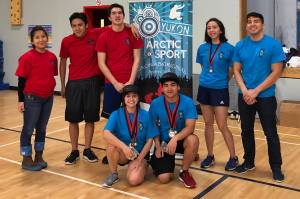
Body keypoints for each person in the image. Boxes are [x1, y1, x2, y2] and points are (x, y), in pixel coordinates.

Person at [60, 12, 139, 165]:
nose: (77, 28)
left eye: (80, 25)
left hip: (92, 83)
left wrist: (131, 26)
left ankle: (87, 149)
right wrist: (62, 85)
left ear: (86, 25)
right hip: (74, 84)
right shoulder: (66, 41)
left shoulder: (95, 33)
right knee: (73, 119)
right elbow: (62, 62)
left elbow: (115, 24)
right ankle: (74, 150)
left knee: (90, 118)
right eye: (74, 26)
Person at [233, 12, 285, 182]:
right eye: (249, 22)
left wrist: (255, 91)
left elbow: (276, 72)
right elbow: (236, 70)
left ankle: (276, 167)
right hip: (245, 95)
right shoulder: (240, 45)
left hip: (266, 96)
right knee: (246, 131)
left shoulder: (273, 45)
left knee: (270, 133)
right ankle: (248, 162)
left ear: (262, 25)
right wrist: (245, 91)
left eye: (256, 21)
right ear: (246, 25)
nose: (252, 24)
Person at [96, 3, 144, 164]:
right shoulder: (103, 36)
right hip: (112, 85)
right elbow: (101, 63)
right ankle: (113, 152)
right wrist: (115, 83)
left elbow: (137, 59)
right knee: (111, 120)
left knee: (132, 117)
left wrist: (130, 81)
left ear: (123, 16)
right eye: (114, 13)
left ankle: (132, 149)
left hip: (130, 82)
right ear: (109, 17)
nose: (117, 15)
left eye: (120, 13)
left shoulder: (133, 34)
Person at [196, 18, 238, 171]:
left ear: (221, 30)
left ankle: (233, 157)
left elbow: (232, 70)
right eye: (209, 28)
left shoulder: (229, 48)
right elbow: (204, 67)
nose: (211, 30)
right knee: (208, 124)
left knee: (222, 125)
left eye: (214, 27)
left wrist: (221, 81)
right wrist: (210, 79)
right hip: (204, 89)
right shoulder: (202, 48)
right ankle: (210, 155)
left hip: (220, 90)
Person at [15, 26, 58, 171]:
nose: (41, 39)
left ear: (47, 38)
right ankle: (27, 158)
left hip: (48, 98)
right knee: (28, 128)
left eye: (43, 36)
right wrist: (21, 100)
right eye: (37, 37)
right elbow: (21, 81)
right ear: (32, 41)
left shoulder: (52, 57)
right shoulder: (27, 57)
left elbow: (51, 75)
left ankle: (39, 155)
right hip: (32, 98)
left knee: (42, 128)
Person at [149, 72, 199, 188]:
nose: (169, 88)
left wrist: (175, 138)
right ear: (162, 88)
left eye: (173, 85)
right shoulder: (155, 104)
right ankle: (158, 163)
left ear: (178, 87)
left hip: (181, 139)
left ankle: (184, 172)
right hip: (164, 143)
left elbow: (190, 127)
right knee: (164, 179)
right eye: (165, 85)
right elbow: (153, 126)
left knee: (193, 140)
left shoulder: (187, 102)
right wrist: (157, 145)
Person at [102, 85, 159, 187]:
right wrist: (124, 147)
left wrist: (139, 159)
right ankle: (113, 174)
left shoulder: (146, 114)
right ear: (124, 98)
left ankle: (141, 166)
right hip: (124, 153)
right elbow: (106, 134)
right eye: (128, 96)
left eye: (134, 96)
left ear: (138, 98)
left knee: (133, 180)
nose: (131, 99)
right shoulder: (116, 114)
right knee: (111, 147)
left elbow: (150, 140)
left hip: (140, 153)